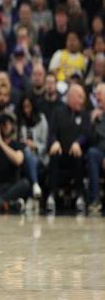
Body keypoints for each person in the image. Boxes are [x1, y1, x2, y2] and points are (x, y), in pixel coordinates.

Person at [46, 84, 90, 213]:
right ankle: (52, 195)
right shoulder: (58, 112)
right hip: (60, 152)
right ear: (71, 96)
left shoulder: (84, 114)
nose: (82, 101)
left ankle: (80, 196)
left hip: (76, 153)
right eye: (80, 97)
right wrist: (54, 142)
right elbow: (52, 132)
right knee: (54, 154)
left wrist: (78, 142)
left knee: (78, 155)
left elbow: (86, 134)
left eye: (83, 98)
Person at [86, 82, 105, 213]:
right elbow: (90, 140)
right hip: (99, 153)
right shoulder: (94, 115)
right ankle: (94, 200)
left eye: (100, 94)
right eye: (96, 95)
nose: (97, 98)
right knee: (92, 153)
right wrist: (92, 122)